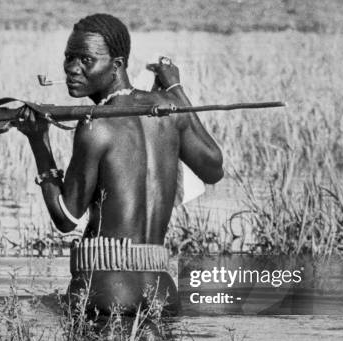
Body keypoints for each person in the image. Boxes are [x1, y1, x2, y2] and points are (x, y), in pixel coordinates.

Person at [16, 13, 223, 315]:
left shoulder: (96, 126)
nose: (73, 69)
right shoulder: (168, 109)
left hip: (106, 288)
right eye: (69, 58)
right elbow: (214, 167)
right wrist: (176, 89)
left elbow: (66, 218)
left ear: (117, 65)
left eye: (86, 60)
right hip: (162, 290)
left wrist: (39, 140)